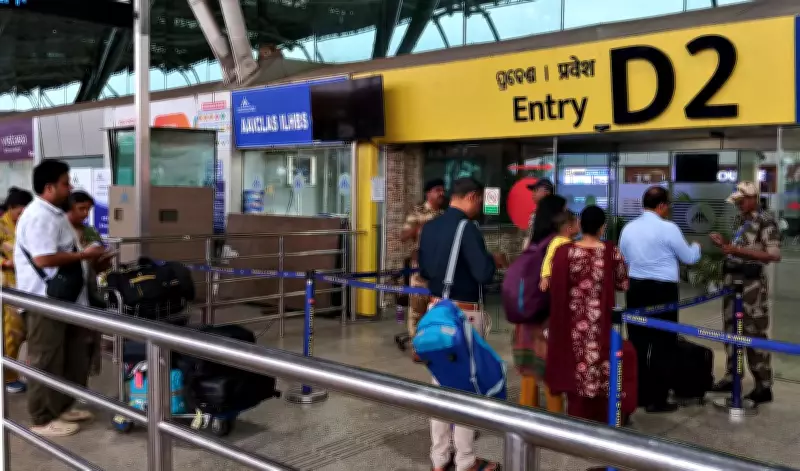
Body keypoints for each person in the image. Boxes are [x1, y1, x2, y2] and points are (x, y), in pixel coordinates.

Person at [14, 160, 106, 437]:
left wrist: (90, 258)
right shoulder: (39, 216)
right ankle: (42, 418)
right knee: (46, 358)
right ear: (49, 187)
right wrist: (83, 255)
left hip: (65, 300)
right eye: (65, 183)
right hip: (44, 301)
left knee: (68, 357)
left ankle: (61, 407)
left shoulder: (55, 215)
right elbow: (43, 259)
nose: (70, 188)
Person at [418, 177, 505, 471]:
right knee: (468, 387)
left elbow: (425, 271)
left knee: (440, 386)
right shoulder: (467, 228)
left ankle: (439, 458)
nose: (479, 207)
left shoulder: (430, 227)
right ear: (472, 196)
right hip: (463, 315)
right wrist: (493, 260)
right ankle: (466, 460)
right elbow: (483, 273)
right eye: (479, 201)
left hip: (435, 312)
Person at [619, 186, 701, 413]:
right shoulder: (669, 228)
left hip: (636, 288)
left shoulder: (628, 228)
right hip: (663, 291)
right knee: (663, 343)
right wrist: (697, 247)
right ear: (662, 206)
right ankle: (658, 399)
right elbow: (689, 258)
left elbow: (623, 259)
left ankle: (639, 395)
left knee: (638, 341)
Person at [545, 205, 629, 422]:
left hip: (571, 323)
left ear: (580, 225)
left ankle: (576, 418)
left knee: (575, 368)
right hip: (600, 323)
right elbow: (623, 283)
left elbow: (555, 286)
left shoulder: (564, 252)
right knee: (600, 367)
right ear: (602, 227)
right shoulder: (611, 252)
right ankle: (600, 417)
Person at [710, 181, 781, 404]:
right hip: (733, 282)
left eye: (741, 201)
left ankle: (763, 385)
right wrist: (726, 245)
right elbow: (738, 248)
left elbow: (773, 255)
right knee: (731, 330)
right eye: (737, 202)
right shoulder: (741, 220)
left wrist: (737, 250)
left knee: (754, 332)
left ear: (753, 198)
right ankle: (733, 377)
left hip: (751, 287)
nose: (738, 205)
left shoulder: (766, 221)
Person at [513, 194, 569, 414]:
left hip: (527, 311)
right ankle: (555, 421)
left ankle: (527, 414)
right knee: (551, 369)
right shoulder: (559, 244)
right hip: (548, 314)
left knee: (529, 367)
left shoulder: (531, 243)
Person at [65, 190, 113, 376]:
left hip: (90, 290)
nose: (85, 213)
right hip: (67, 293)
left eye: (88, 209)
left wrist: (103, 262)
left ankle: (85, 376)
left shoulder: (90, 231)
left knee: (90, 339)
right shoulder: (60, 232)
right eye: (81, 208)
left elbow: (96, 265)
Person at [400, 178, 446, 359]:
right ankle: (417, 347)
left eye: (442, 190)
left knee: (436, 310)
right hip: (420, 271)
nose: (441, 193)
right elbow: (403, 236)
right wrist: (422, 226)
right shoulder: (417, 212)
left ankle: (432, 345)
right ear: (428, 193)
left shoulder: (444, 215)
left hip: (440, 271)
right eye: (437, 190)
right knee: (417, 311)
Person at [0, 188, 34, 394]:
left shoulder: (27, 226)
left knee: (27, 332)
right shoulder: (1, 226)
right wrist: (5, 263)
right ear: (11, 208)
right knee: (11, 333)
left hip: (26, 285)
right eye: (20, 212)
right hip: (8, 286)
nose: (22, 216)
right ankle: (8, 377)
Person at [523, 178, 554, 250]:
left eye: (536, 190)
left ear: (547, 192)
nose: (533, 194)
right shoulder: (536, 213)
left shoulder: (554, 213)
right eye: (533, 191)